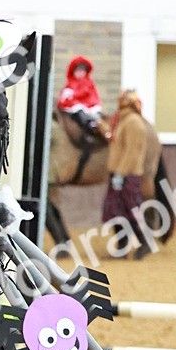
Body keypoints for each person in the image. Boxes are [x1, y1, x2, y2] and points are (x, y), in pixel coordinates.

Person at [102, 89, 149, 257]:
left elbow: (132, 152)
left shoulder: (134, 122)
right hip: (119, 173)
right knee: (116, 210)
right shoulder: (123, 121)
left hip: (128, 175)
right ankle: (122, 244)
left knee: (131, 209)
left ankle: (144, 241)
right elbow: (117, 141)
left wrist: (121, 173)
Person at [57, 55, 111, 142]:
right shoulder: (71, 84)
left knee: (97, 114)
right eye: (78, 71)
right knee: (80, 112)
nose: (80, 73)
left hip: (90, 107)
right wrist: (75, 102)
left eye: (82, 71)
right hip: (77, 107)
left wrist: (92, 104)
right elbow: (65, 98)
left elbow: (94, 97)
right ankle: (86, 132)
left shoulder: (90, 84)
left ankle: (100, 129)